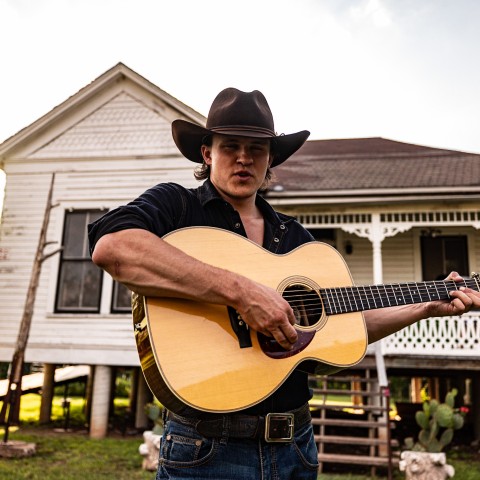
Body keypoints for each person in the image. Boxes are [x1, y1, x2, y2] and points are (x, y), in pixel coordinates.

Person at [88, 88, 480, 480]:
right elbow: (114, 248)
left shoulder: (298, 242)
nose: (244, 158)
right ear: (207, 153)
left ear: (271, 157)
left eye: (257, 148)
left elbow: (346, 328)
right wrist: (242, 293)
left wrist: (426, 307)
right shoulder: (176, 206)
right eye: (231, 146)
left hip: (295, 448)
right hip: (205, 450)